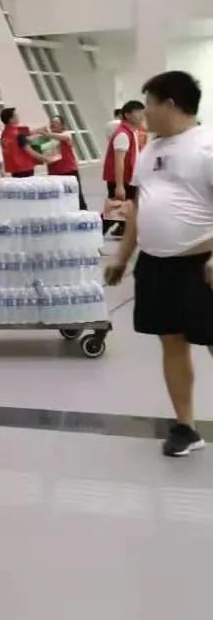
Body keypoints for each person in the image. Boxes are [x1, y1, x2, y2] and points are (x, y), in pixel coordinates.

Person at [105, 71, 213, 458]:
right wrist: (123, 256)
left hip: (200, 266)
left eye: (148, 103)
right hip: (156, 265)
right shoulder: (150, 148)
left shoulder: (206, 145)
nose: (143, 112)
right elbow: (139, 207)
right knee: (171, 341)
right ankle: (185, 426)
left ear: (170, 104)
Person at [102, 99, 146, 237]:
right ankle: (90, 238)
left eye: (143, 112)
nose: (142, 116)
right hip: (122, 181)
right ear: (127, 115)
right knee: (112, 215)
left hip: (129, 180)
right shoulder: (123, 133)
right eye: (138, 113)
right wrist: (120, 186)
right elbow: (119, 161)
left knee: (124, 213)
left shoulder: (132, 132)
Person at [44, 115, 88, 210]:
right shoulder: (47, 139)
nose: (53, 124)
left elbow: (66, 138)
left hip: (69, 171)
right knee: (60, 197)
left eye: (56, 122)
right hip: (54, 172)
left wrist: (49, 134)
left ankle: (83, 212)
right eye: (52, 122)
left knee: (76, 195)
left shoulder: (66, 134)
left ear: (62, 126)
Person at [0, 107, 48, 178]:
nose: (18, 116)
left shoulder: (4, 133)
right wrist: (46, 159)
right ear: (11, 120)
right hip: (25, 167)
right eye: (16, 115)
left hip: (14, 168)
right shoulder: (18, 134)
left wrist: (39, 130)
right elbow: (30, 152)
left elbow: (26, 134)